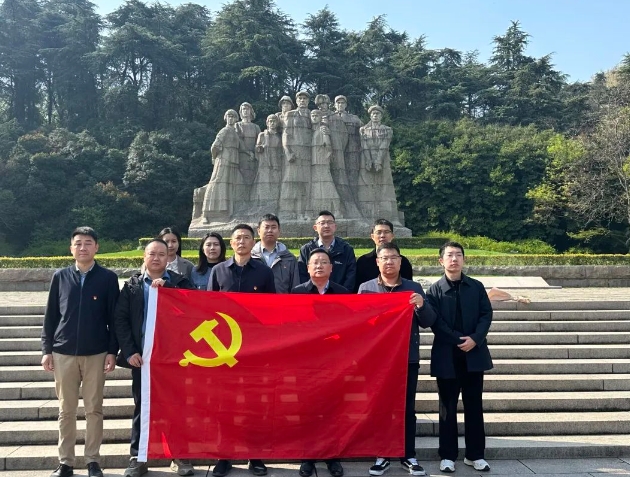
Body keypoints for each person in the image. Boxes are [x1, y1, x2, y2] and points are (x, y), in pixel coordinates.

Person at [41, 226, 120, 477]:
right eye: (78, 243)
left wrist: (112, 351)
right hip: (63, 352)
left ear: (97, 247)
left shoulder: (107, 278)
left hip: (96, 353)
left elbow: (114, 319)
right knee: (66, 410)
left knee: (94, 409)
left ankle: (92, 460)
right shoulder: (60, 276)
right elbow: (51, 316)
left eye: (88, 243)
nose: (82, 247)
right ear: (71, 248)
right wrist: (47, 349)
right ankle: (65, 462)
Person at [115, 239, 196, 477]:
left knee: (176, 407)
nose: (157, 258)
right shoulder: (132, 285)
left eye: (162, 254)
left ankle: (179, 456)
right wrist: (130, 351)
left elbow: (194, 310)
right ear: (144, 257)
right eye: (152, 254)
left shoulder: (180, 282)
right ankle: (138, 458)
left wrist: (169, 291)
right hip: (143, 359)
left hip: (173, 359)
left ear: (168, 257)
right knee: (143, 407)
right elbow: (121, 320)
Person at [358, 242, 436, 477]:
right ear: (377, 262)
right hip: (377, 361)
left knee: (407, 408)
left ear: (400, 262)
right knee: (380, 407)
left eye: (394, 257)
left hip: (406, 358)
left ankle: (408, 455)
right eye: (385, 258)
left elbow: (428, 321)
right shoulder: (366, 289)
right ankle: (382, 454)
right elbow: (359, 324)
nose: (389, 262)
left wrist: (421, 305)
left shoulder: (413, 288)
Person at [208, 224, 276, 477]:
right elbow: (207, 308)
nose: (242, 241)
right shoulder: (218, 271)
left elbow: (272, 309)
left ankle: (255, 455)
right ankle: (224, 456)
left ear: (252, 241)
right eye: (238, 238)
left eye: (247, 237)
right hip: (225, 350)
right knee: (224, 403)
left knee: (253, 403)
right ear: (231, 242)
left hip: (254, 348)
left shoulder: (264, 272)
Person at [426, 242, 493, 474]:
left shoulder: (476, 286)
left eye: (458, 255)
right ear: (441, 261)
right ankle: (447, 456)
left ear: (464, 259)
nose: (454, 259)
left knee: (474, 405)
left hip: (474, 353)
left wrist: (475, 338)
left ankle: (475, 455)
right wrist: (457, 339)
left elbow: (486, 314)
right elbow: (435, 322)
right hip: (447, 355)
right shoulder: (434, 290)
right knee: (447, 407)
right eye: (449, 255)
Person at [292, 248, 348, 477]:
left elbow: (349, 326)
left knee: (333, 410)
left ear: (331, 268)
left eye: (324, 262)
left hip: (334, 362)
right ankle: (307, 456)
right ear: (307, 268)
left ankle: (332, 456)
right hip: (306, 362)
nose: (319, 266)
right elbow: (292, 326)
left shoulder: (342, 293)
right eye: (315, 262)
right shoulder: (297, 293)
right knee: (307, 409)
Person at [202, 109, 244, 222]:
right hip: (224, 160)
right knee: (216, 182)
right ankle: (206, 213)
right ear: (225, 118)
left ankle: (227, 212)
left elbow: (241, 147)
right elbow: (214, 146)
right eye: (229, 116)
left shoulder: (235, 132)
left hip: (233, 161)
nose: (231, 118)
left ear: (236, 119)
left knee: (229, 186)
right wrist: (214, 158)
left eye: (233, 117)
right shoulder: (224, 131)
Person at [298, 211, 356, 292]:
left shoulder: (346, 249)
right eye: (322, 223)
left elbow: (351, 276)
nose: (326, 226)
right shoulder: (306, 249)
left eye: (330, 222)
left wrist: (342, 294)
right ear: (315, 227)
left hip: (340, 296)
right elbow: (302, 275)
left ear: (335, 226)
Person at [354, 219, 413, 292]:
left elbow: (409, 288)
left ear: (392, 235)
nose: (382, 236)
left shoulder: (403, 262)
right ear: (372, 236)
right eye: (379, 232)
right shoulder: (363, 262)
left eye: (386, 232)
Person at [280, 91, 312, 219]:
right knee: (292, 182)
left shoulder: (312, 114)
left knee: (307, 184)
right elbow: (286, 134)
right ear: (297, 101)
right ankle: (289, 212)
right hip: (294, 154)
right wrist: (287, 151)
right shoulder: (291, 114)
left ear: (308, 101)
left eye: (305, 98)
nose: (302, 100)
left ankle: (305, 212)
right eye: (300, 98)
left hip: (309, 154)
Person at [251, 214, 300, 293]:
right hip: (255, 300)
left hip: (282, 300)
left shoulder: (289, 258)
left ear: (279, 231)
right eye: (266, 227)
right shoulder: (250, 257)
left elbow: (295, 287)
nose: (270, 230)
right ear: (259, 231)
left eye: (273, 227)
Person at [310, 109, 342, 214]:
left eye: (316, 115)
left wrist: (327, 155)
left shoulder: (322, 129)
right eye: (312, 115)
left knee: (328, 183)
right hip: (315, 161)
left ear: (320, 117)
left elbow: (328, 144)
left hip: (321, 160)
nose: (314, 117)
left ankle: (336, 209)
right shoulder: (313, 130)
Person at [236, 102, 261, 186]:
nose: (245, 111)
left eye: (247, 109)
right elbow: (239, 140)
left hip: (254, 157)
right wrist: (248, 153)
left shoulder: (256, 127)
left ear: (251, 111)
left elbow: (259, 141)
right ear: (240, 112)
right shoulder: (237, 125)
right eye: (243, 109)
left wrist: (256, 152)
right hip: (242, 156)